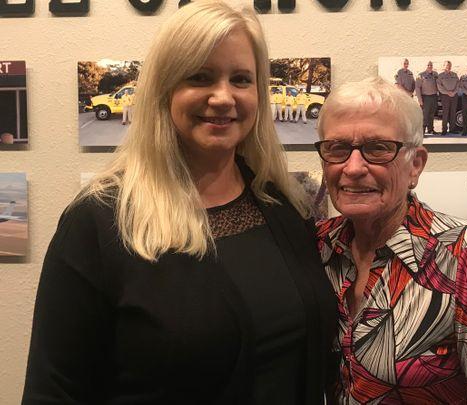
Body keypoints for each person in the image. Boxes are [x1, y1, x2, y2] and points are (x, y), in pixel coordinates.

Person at [22, 2, 337, 404]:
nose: (223, 97)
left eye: (240, 79)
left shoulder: (283, 205)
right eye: (200, 77)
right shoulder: (99, 222)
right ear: (164, 89)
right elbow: (53, 391)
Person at [314, 77, 467, 404]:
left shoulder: (465, 253)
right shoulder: (317, 247)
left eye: (378, 148)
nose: (353, 167)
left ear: (415, 165)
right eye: (337, 148)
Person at [415, 61, 438, 135]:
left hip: (434, 96)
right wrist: (420, 100)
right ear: (426, 66)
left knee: (432, 114)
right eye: (428, 65)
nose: (430, 66)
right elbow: (417, 88)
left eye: (431, 65)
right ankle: (422, 131)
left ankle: (430, 129)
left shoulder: (435, 74)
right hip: (425, 97)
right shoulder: (421, 75)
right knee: (425, 115)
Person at [437, 60, 460, 135]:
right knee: (445, 113)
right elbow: (439, 87)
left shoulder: (454, 74)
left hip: (454, 95)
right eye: (447, 65)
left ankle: (452, 129)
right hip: (445, 96)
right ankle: (444, 130)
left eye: (450, 65)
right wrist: (447, 92)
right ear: (444, 66)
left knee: (453, 112)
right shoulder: (440, 76)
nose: (448, 67)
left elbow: (458, 84)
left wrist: (454, 92)